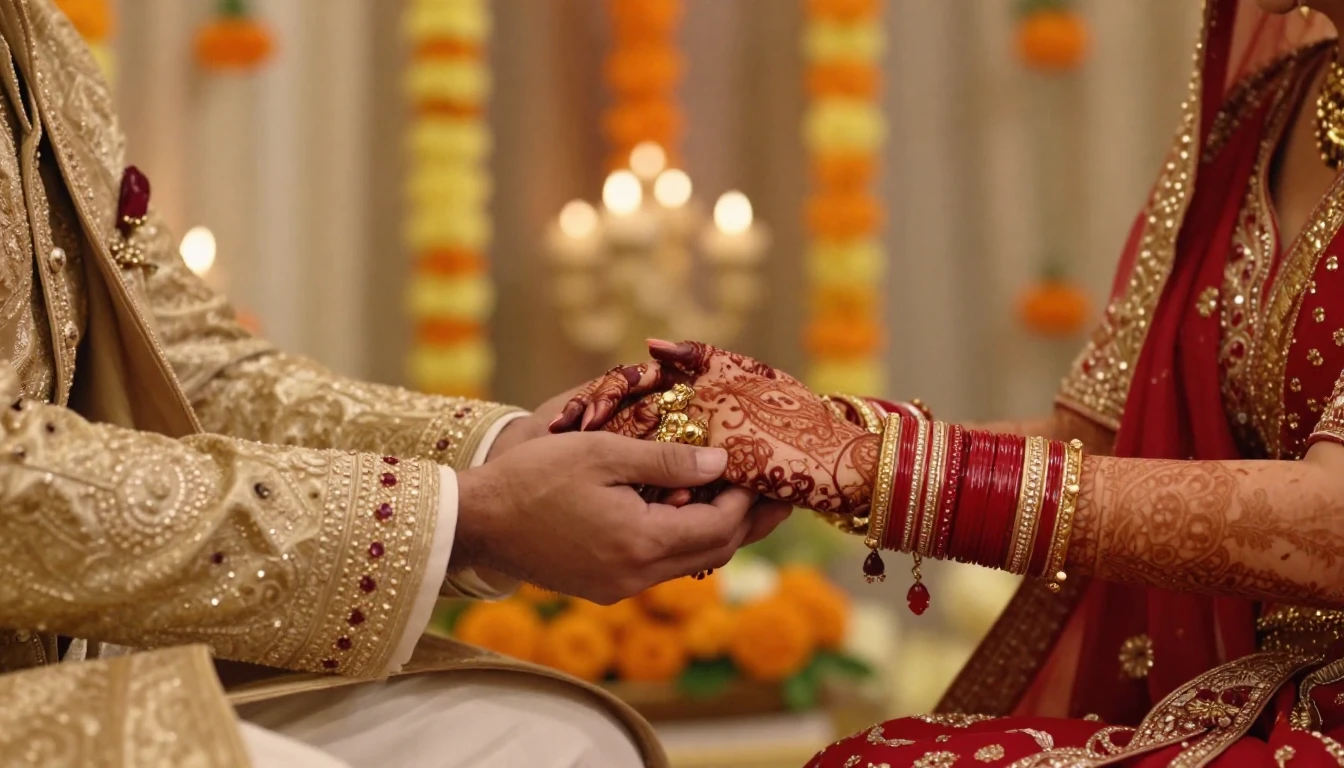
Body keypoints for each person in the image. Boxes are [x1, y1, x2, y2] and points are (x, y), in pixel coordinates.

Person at [0, 1, 793, 766]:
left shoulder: (41, 40)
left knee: (563, 742)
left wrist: (512, 450)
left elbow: (191, 361)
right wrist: (467, 517)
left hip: (70, 654)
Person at [558, 1, 1344, 764]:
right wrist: (797, 430)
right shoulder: (1259, 115)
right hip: (1259, 702)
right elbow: (1102, 439)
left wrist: (876, 472)